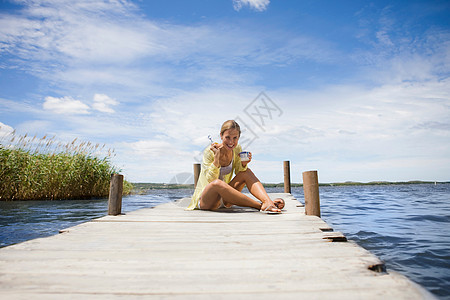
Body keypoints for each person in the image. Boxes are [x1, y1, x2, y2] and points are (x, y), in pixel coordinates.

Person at [187, 120, 284, 213]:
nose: (231, 142)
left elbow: (240, 172)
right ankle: (261, 206)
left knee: (246, 172)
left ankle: (267, 201)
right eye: (227, 137)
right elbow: (211, 180)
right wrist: (216, 158)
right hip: (207, 201)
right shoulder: (210, 151)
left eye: (235, 138)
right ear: (221, 136)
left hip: (226, 199)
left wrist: (244, 164)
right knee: (217, 183)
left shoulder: (237, 149)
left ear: (238, 137)